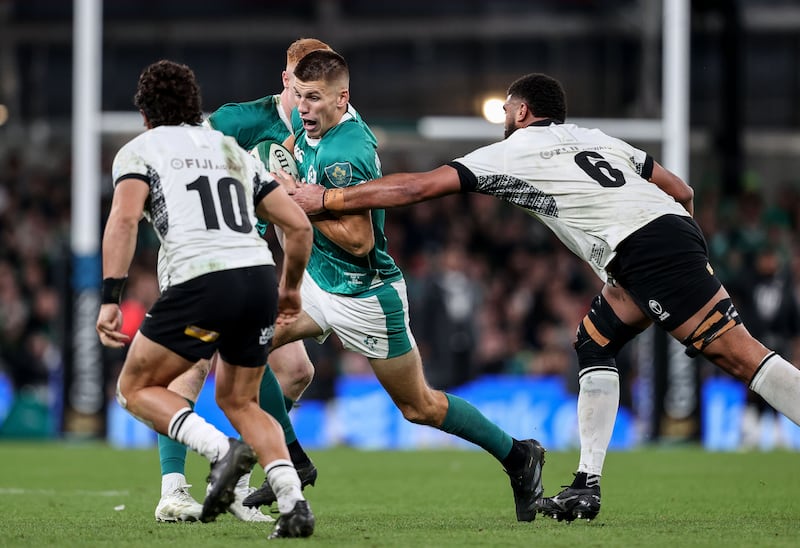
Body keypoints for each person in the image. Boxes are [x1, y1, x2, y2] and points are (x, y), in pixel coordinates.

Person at [288, 71, 800, 523]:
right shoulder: (592, 138)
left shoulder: (512, 151)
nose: (503, 119)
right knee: (593, 344)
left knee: (740, 356)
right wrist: (679, 249)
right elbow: (682, 191)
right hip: (650, 244)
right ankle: (587, 484)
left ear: (523, 111)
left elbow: (418, 188)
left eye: (506, 110)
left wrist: (326, 198)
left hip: (647, 252)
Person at [264, 48, 545, 522]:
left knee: (420, 407)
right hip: (318, 284)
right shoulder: (316, 126)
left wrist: (296, 203)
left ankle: (518, 455)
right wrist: (289, 171)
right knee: (245, 346)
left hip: (364, 297)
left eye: (313, 98)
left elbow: (357, 240)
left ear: (341, 100)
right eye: (299, 96)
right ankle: (291, 460)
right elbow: (299, 151)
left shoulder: (343, 153)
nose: (303, 108)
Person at [95, 59, 315, 539]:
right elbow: (298, 226)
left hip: (200, 278)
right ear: (196, 107)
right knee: (242, 401)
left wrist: (110, 296)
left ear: (145, 114)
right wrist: (290, 290)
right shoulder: (230, 149)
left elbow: (125, 220)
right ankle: (294, 504)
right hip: (257, 277)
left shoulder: (140, 150)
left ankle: (220, 454)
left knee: (134, 388)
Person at [152, 38, 331, 521]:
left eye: (318, 88)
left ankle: (245, 476)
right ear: (286, 80)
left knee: (296, 371)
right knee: (193, 366)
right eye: (301, 86)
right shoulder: (239, 120)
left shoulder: (326, 133)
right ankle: (174, 489)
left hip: (250, 265)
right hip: (202, 253)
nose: (308, 97)